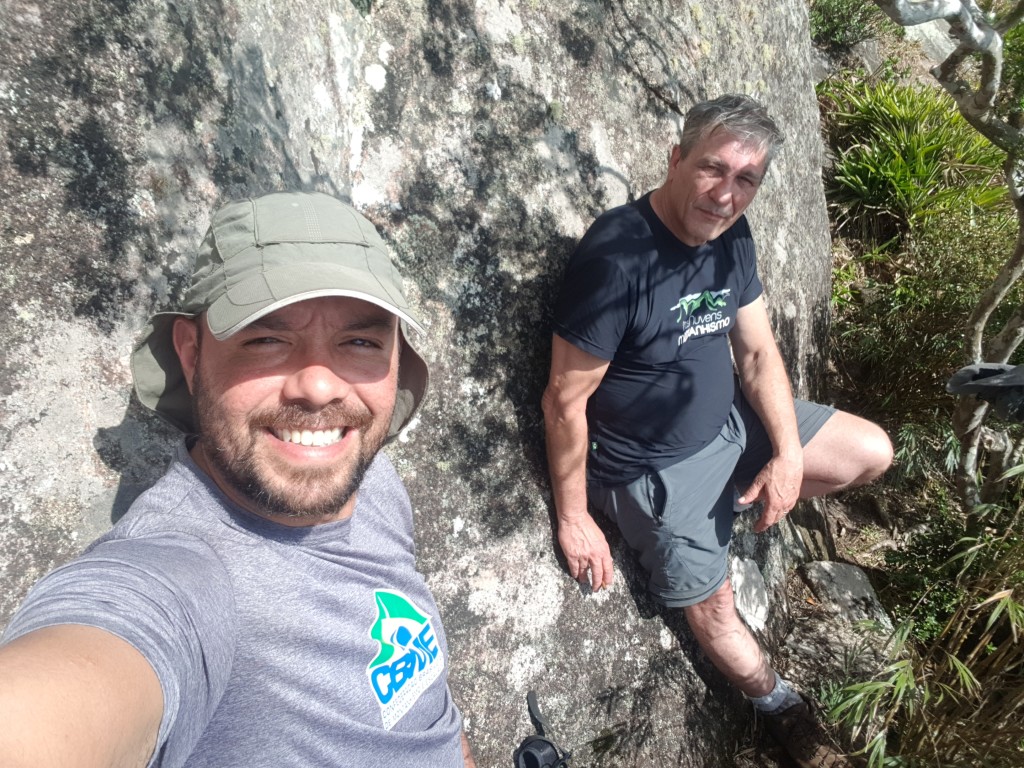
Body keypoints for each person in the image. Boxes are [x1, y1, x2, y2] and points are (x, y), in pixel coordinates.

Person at [0, 191, 476, 768]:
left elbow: (423, 710)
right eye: (266, 339)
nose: (319, 387)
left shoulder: (369, 479)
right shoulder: (177, 578)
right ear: (191, 353)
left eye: (360, 342)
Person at [542, 95, 893, 768]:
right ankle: (780, 706)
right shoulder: (616, 259)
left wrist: (787, 454)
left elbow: (757, 353)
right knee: (718, 609)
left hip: (730, 423)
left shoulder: (731, 233)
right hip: (654, 469)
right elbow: (564, 400)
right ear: (676, 159)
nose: (726, 194)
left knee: (871, 451)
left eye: (746, 179)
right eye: (713, 169)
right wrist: (574, 515)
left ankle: (729, 503)